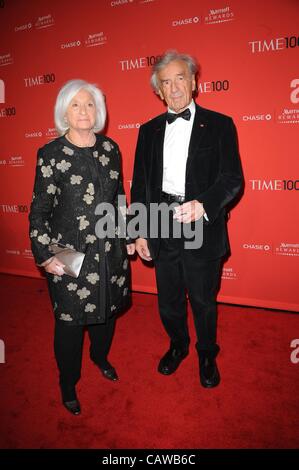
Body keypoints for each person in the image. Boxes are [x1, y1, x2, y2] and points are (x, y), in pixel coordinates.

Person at [131, 51, 244, 388]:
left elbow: (232, 178)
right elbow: (140, 186)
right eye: (166, 82)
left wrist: (204, 205)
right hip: (162, 222)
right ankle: (178, 345)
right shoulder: (148, 131)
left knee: (203, 299)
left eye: (180, 78)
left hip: (201, 223)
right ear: (158, 92)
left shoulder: (221, 124)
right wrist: (138, 232)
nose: (174, 87)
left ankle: (207, 352)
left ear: (194, 82)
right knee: (168, 298)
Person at [29, 79, 135, 415]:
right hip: (69, 255)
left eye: (89, 104)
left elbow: (119, 199)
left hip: (110, 249)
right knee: (70, 323)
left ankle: (100, 358)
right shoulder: (50, 154)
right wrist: (45, 256)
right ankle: (68, 381)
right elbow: (39, 211)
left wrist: (129, 235)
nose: (83, 111)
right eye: (75, 104)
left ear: (98, 110)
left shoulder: (110, 149)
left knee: (106, 313)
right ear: (64, 111)